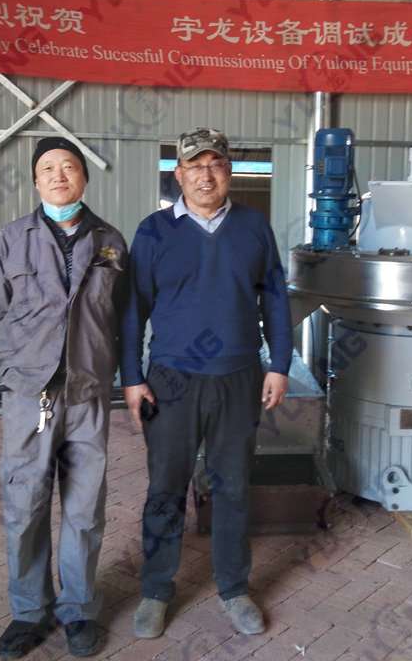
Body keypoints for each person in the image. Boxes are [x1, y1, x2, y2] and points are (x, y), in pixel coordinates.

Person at [121, 127, 292, 638]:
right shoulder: (154, 232)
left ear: (229, 171)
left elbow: (275, 299)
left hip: (238, 377)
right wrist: (131, 377)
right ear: (178, 174)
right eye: (195, 166)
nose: (206, 175)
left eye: (216, 164)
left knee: (233, 487)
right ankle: (156, 590)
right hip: (171, 380)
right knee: (165, 488)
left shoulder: (253, 228)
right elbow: (132, 309)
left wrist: (279, 364)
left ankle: (234, 588)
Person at [0, 136, 127, 659]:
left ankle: (79, 609)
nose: (59, 175)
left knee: (84, 509)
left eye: (69, 166)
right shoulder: (10, 239)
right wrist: (15, 369)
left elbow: (122, 312)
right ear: (35, 180)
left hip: (88, 391)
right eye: (48, 168)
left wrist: (109, 367)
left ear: (84, 176)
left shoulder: (110, 242)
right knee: (25, 504)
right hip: (30, 394)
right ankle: (29, 611)